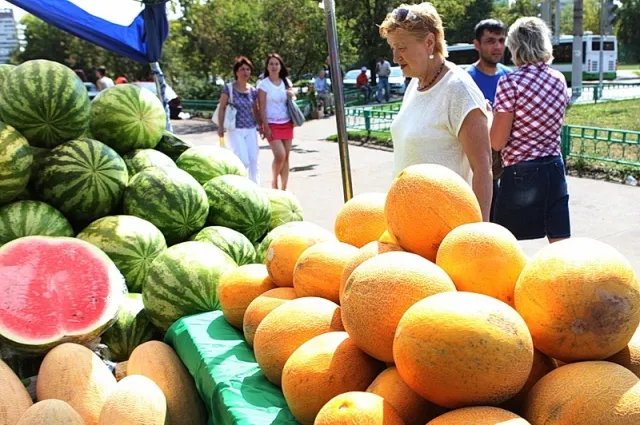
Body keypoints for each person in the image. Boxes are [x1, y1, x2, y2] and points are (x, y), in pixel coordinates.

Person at [379, 2, 493, 221]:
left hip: (444, 225)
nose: (395, 57)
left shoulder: (459, 89)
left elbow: (482, 168)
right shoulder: (415, 83)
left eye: (402, 47)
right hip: (409, 222)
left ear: (429, 43)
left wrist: (479, 232)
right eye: (392, 48)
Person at [491, 17, 571, 243]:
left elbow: (497, 141)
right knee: (559, 244)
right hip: (555, 167)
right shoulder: (558, 79)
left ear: (515, 46)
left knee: (505, 245)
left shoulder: (510, 82)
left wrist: (491, 117)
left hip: (520, 172)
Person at [467, 19, 512, 222]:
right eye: (490, 41)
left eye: (501, 40)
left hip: (509, 159)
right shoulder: (466, 80)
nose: (497, 47)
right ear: (477, 44)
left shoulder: (509, 77)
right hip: (479, 160)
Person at [217, 56, 262, 184]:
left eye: (248, 69)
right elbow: (222, 108)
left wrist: (261, 126)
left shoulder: (252, 90)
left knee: (253, 159)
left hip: (251, 128)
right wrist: (220, 127)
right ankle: (243, 184)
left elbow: (256, 110)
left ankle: (256, 186)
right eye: (242, 69)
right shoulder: (229, 88)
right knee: (243, 159)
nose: (245, 72)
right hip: (235, 128)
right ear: (236, 72)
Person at [257, 53, 296, 190]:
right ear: (267, 67)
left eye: (276, 64)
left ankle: (284, 189)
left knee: (286, 157)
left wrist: (292, 94)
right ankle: (274, 182)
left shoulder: (286, 82)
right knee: (280, 155)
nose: (274, 66)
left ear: (280, 66)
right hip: (272, 124)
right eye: (271, 64)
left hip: (287, 122)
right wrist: (264, 126)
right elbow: (261, 107)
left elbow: (292, 100)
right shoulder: (263, 84)